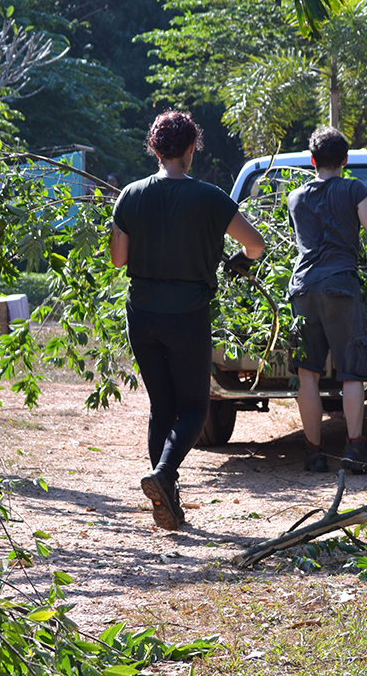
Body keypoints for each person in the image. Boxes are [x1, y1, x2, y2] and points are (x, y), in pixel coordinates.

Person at [110, 110, 265, 530]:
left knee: (162, 406)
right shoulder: (210, 198)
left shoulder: (131, 194)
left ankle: (167, 499)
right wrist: (238, 261)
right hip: (187, 314)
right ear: (192, 148)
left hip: (142, 315)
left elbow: (119, 259)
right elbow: (255, 245)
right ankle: (164, 475)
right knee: (194, 409)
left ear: (155, 149)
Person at [288, 127, 367, 474]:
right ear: (345, 160)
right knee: (351, 372)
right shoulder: (353, 188)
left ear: (312, 160)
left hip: (302, 288)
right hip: (339, 287)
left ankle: (313, 453)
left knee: (307, 373)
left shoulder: (295, 197)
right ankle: (355, 450)